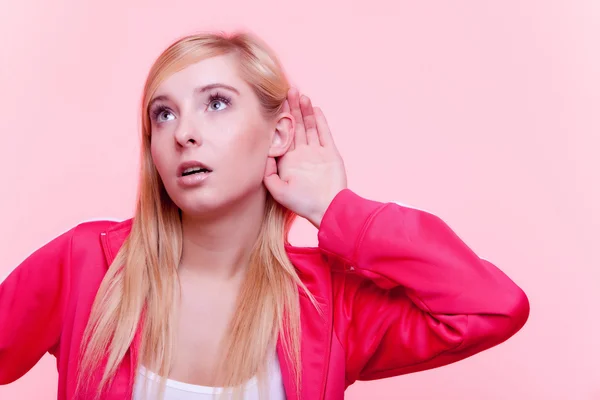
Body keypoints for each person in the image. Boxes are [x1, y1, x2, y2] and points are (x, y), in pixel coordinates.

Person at [0, 31, 530, 400]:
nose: (184, 132)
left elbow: (491, 307)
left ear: (277, 136)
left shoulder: (328, 303)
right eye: (164, 114)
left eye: (216, 103)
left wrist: (336, 210)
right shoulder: (86, 264)